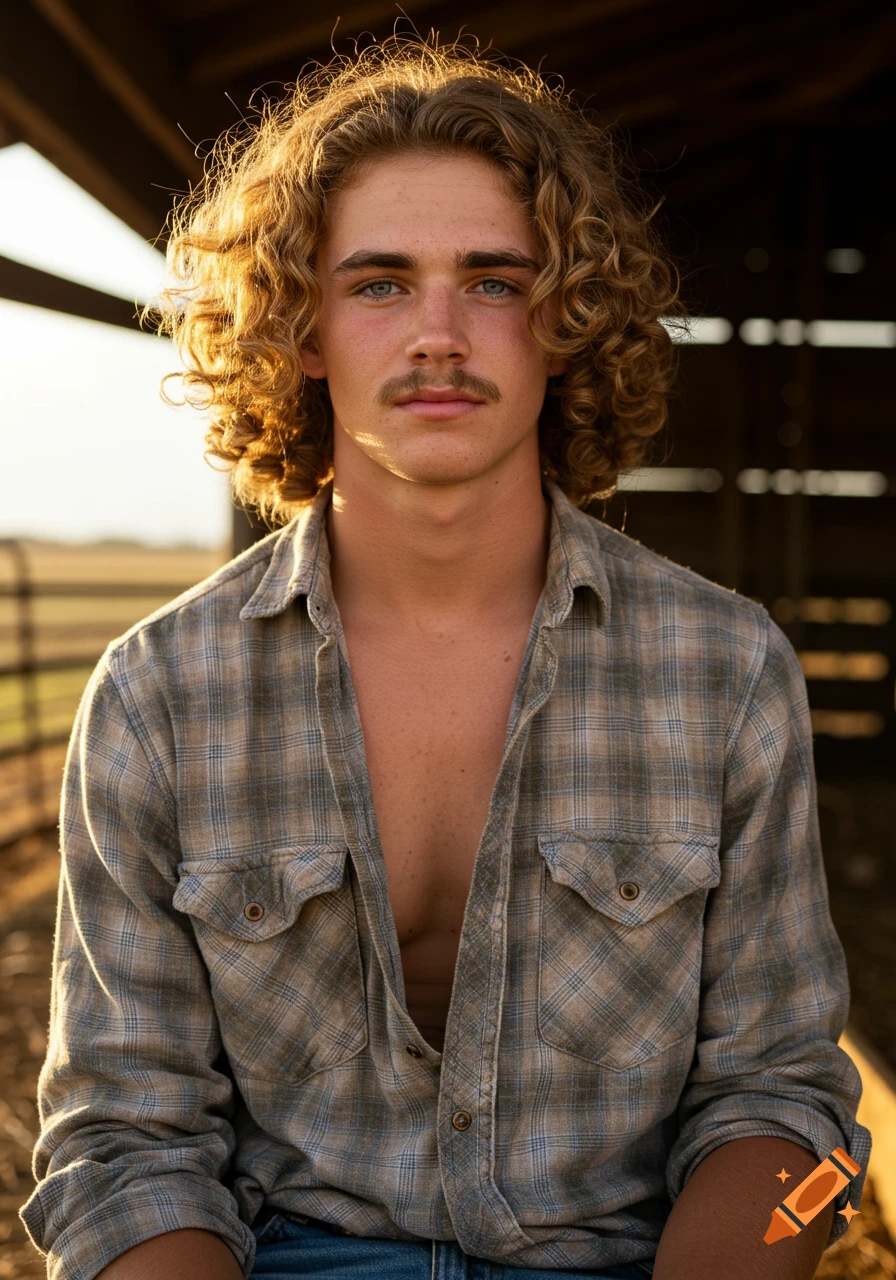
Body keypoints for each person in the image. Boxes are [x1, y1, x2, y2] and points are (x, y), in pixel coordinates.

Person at [21, 36, 869, 1280]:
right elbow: (120, 1141)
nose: (436, 333)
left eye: (490, 281)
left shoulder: (723, 668)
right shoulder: (161, 697)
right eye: (377, 283)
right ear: (302, 327)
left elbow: (789, 1103)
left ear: (565, 318)